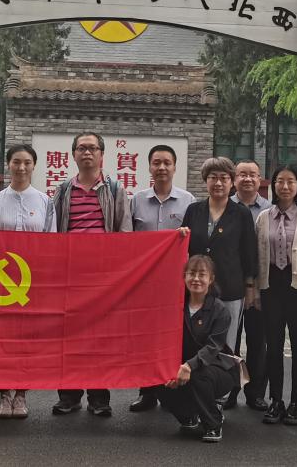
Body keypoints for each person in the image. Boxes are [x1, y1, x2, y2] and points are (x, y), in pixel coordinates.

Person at [51, 132, 132, 417]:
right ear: (73, 154)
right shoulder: (64, 190)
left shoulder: (114, 189)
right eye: (81, 148)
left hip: (102, 277)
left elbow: (125, 231)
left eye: (92, 148)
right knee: (69, 336)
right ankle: (69, 396)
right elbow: (53, 231)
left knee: (100, 338)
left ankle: (99, 397)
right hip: (70, 276)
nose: (87, 153)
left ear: (101, 155)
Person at [0, 143, 55, 419]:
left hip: (33, 283)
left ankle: (22, 393)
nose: (21, 167)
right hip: (2, 283)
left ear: (34, 166)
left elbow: (51, 242)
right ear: (8, 164)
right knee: (1, 340)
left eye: (27, 162)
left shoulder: (45, 202)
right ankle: (3, 394)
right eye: (16, 162)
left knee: (27, 340)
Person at [181, 157, 258, 398]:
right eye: (213, 178)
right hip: (196, 290)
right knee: (194, 340)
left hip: (231, 288)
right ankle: (193, 389)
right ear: (205, 181)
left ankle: (221, 394)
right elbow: (182, 248)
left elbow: (249, 252)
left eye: (224, 178)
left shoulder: (241, 213)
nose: (218, 183)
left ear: (232, 182)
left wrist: (250, 287)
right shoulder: (193, 210)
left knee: (226, 343)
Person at [129, 144, 195, 413]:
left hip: (176, 283)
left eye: (167, 162)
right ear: (149, 167)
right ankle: (147, 391)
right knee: (145, 337)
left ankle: (174, 392)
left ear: (175, 167)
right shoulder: (136, 200)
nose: (162, 167)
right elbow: (128, 239)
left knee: (174, 336)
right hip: (144, 282)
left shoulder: (188, 201)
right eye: (157, 163)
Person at [256, 164, 297, 426]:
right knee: (273, 347)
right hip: (271, 286)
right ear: (273, 185)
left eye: (290, 181)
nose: (284, 186)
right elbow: (257, 256)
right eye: (280, 181)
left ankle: (295, 400)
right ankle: (276, 400)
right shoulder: (263, 217)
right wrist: (255, 291)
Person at [157, 255, 240, 443]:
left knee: (199, 375)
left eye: (202, 274)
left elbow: (213, 347)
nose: (196, 279)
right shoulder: (176, 305)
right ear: (184, 277)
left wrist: (188, 366)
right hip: (183, 366)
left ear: (211, 279)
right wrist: (169, 368)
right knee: (157, 378)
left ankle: (213, 422)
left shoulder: (220, 310)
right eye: (191, 274)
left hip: (217, 369)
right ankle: (188, 415)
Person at [229, 159, 272, 411]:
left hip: (261, 285)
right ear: (234, 179)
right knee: (229, 341)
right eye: (242, 174)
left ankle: (256, 393)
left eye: (252, 175)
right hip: (231, 285)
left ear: (259, 179)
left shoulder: (270, 209)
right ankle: (228, 389)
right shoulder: (224, 206)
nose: (247, 179)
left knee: (258, 341)